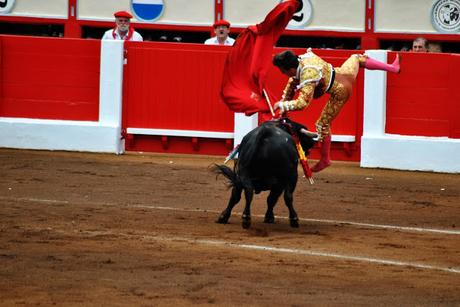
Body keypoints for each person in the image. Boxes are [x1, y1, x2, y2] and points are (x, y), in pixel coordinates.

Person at [273, 48, 400, 172]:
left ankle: (325, 159)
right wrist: (283, 107)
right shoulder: (302, 59)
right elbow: (293, 82)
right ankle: (392, 68)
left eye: (282, 71)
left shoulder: (308, 74)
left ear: (289, 68)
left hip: (341, 91)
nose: (282, 74)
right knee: (356, 58)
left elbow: (303, 103)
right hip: (343, 73)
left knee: (322, 124)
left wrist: (283, 105)